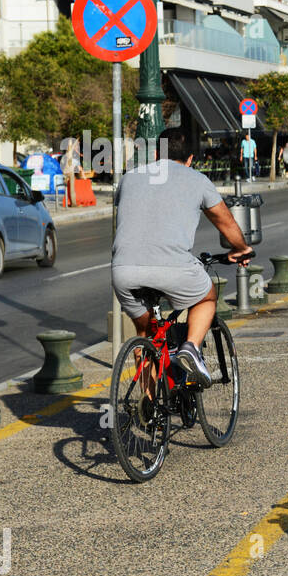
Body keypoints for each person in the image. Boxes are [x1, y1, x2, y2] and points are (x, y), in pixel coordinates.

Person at [112, 128, 253, 387]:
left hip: (123, 271)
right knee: (207, 296)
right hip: (172, 267)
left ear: (156, 154)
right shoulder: (197, 179)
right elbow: (224, 221)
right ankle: (190, 347)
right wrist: (242, 248)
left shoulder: (129, 178)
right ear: (190, 159)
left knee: (145, 333)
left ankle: (149, 407)